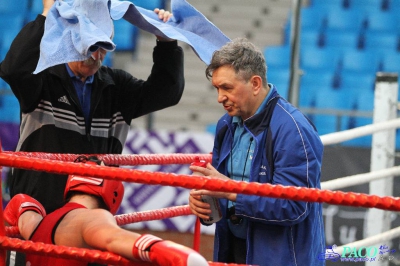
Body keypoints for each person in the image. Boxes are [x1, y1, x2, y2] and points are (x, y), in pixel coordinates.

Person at [0, 0, 184, 215]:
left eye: (104, 46)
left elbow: (167, 93)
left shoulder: (118, 85)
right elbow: (12, 70)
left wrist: (166, 42)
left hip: (92, 214)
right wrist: (47, 15)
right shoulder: (44, 77)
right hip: (37, 214)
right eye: (91, 45)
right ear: (72, 39)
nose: (97, 55)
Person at [188, 38, 325, 266]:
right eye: (217, 88)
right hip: (233, 249)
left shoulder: (294, 129)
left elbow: (293, 207)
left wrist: (229, 189)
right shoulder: (226, 123)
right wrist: (207, 205)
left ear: (255, 83)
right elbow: (225, 194)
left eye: (227, 88)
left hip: (281, 257)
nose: (220, 97)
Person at [3, 156, 208, 266]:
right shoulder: (92, 219)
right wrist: (180, 257)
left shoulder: (38, 222)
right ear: (111, 190)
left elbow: (19, 204)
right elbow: (117, 239)